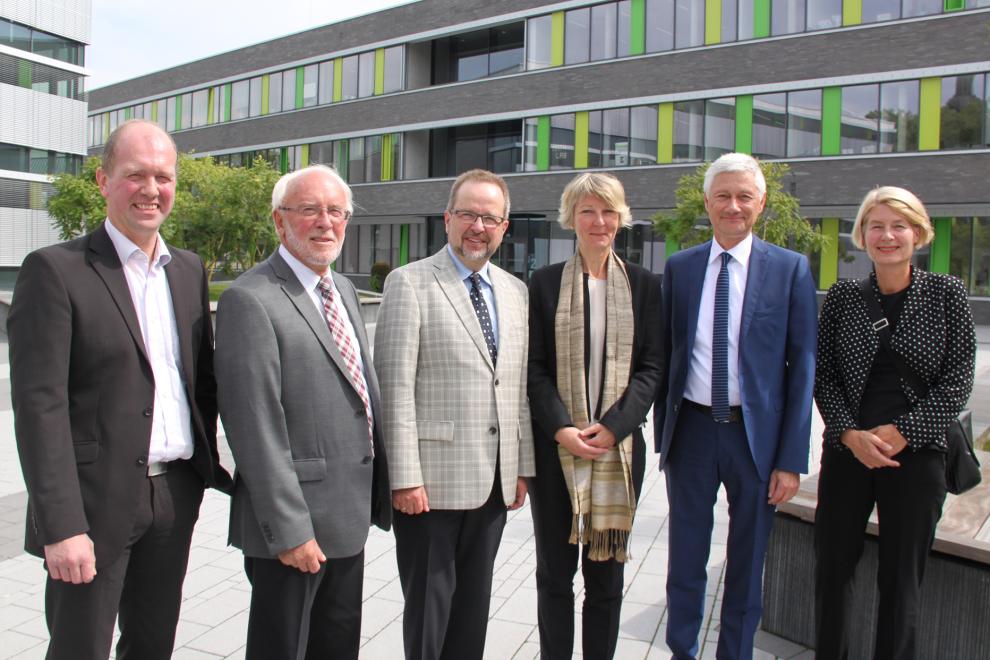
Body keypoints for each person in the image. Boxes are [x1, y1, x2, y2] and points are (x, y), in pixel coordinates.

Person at [7, 119, 232, 660]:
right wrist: (60, 526)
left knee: (152, 645)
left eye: (163, 176)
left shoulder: (188, 271)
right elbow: (40, 407)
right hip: (92, 505)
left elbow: (199, 381)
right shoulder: (54, 271)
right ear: (104, 181)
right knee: (79, 649)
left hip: (174, 496)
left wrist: (202, 472)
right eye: (136, 176)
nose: (152, 190)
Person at [214, 164, 391, 660]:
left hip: (345, 519)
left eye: (336, 211)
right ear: (279, 221)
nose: (325, 222)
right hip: (294, 531)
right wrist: (291, 531)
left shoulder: (344, 292)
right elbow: (254, 429)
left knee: (336, 648)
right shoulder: (250, 299)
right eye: (309, 209)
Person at [654, 152, 818, 660]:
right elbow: (667, 354)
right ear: (707, 202)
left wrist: (791, 459)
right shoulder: (680, 268)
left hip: (757, 442)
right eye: (723, 195)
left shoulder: (790, 270)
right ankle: (681, 649)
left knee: (747, 562)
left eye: (744, 196)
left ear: (761, 203)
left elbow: (803, 366)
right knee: (685, 558)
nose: (733, 205)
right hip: (694, 435)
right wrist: (665, 438)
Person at [374, 169, 534, 660]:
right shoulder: (410, 283)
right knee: (429, 612)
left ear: (504, 227)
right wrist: (403, 478)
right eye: (468, 213)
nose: (477, 226)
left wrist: (522, 465)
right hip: (430, 487)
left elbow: (518, 387)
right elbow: (393, 387)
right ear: (447, 218)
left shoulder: (515, 292)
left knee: (472, 611)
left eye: (490, 217)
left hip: (493, 483)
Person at [813, 186, 975, 660]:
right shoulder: (843, 296)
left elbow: (959, 379)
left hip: (918, 456)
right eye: (876, 225)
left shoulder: (947, 294)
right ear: (861, 235)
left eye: (899, 225)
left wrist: (905, 431)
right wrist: (849, 432)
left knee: (902, 580)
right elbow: (824, 374)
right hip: (848, 453)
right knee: (832, 572)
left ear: (919, 234)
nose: (887, 235)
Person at [527, 172, 663, 659]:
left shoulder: (646, 286)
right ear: (571, 219)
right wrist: (562, 428)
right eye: (588, 211)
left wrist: (614, 426)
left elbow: (652, 368)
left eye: (608, 211)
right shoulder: (542, 285)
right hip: (556, 452)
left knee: (606, 577)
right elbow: (535, 368)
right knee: (555, 576)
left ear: (621, 218)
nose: (598, 221)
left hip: (618, 452)